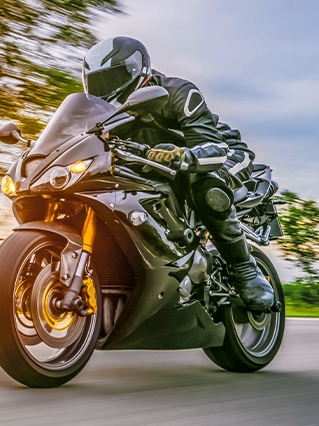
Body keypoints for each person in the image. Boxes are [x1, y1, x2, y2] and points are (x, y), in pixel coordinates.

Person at [81, 36, 274, 311]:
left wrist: (183, 154)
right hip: (160, 162)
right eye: (98, 82)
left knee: (209, 189)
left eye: (114, 77)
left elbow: (215, 148)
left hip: (222, 153)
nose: (106, 88)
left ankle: (244, 269)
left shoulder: (178, 93)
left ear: (137, 69)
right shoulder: (105, 114)